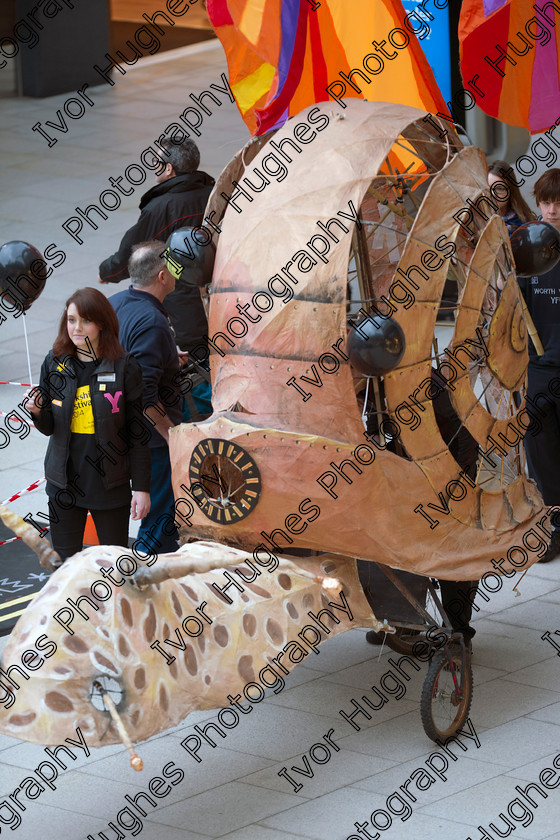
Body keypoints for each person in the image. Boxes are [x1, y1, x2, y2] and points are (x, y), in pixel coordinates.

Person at [24, 288, 151, 562]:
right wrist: (37, 411)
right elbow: (49, 428)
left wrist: (141, 487)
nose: (76, 328)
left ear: (102, 323)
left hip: (109, 484)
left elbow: (138, 434)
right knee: (64, 567)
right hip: (63, 483)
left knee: (115, 568)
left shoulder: (124, 367)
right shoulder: (55, 362)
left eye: (85, 320)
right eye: (71, 320)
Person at [98, 138, 214, 362]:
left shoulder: (160, 207)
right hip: (223, 299)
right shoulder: (215, 194)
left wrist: (107, 272)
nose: (153, 165)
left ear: (169, 169)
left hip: (184, 308)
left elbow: (132, 252)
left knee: (193, 371)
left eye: (156, 161)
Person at [110, 241, 186, 555]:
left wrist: (168, 356)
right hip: (152, 441)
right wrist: (172, 436)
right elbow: (145, 394)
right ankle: (144, 579)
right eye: (174, 267)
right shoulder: (153, 323)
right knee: (158, 520)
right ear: (162, 276)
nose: (179, 271)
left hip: (118, 427)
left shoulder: (113, 303)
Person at [518, 168, 560, 562]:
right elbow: (517, 305)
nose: (552, 209)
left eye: (558, 201)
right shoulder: (530, 246)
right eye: (545, 201)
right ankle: (552, 527)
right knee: (541, 452)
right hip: (540, 367)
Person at [487, 160, 536, 234]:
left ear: (511, 190)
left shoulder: (528, 227)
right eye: (488, 188)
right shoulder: (475, 223)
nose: (493, 194)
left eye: (500, 188)